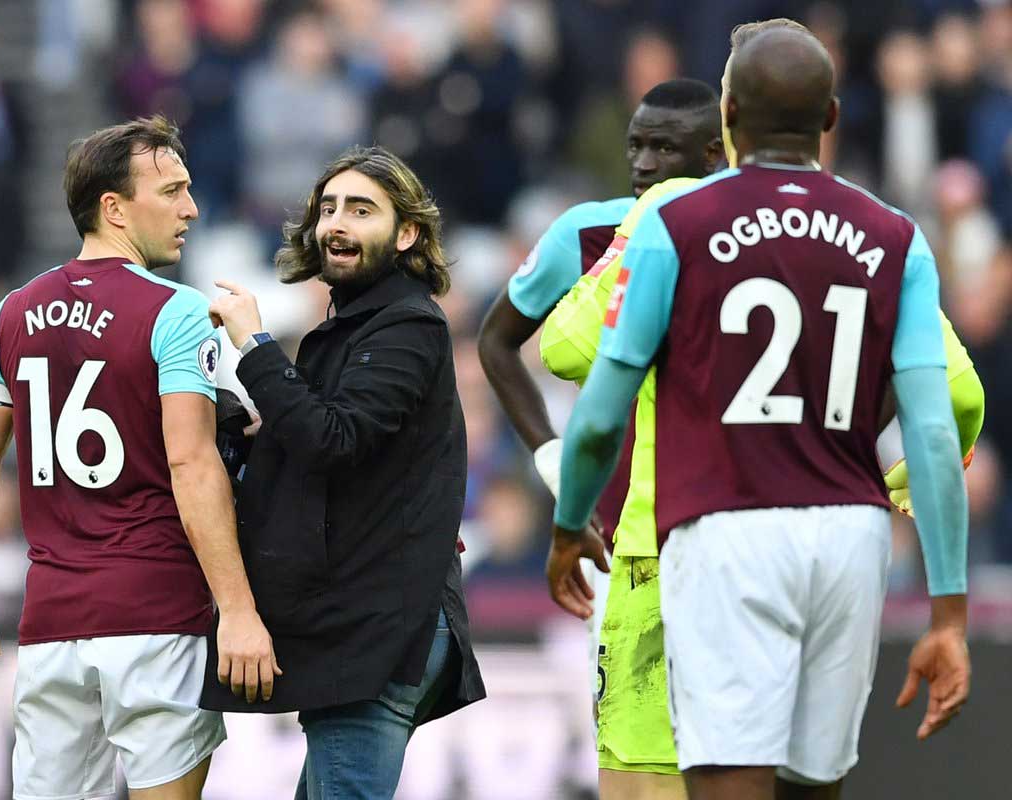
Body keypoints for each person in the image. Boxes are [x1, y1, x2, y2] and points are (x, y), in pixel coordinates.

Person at [550, 23, 970, 800]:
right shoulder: (896, 238)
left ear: (729, 114)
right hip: (850, 534)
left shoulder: (675, 225)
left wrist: (570, 521)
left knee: (727, 783)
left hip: (726, 527)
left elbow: (603, 410)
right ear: (832, 117)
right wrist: (948, 611)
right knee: (813, 786)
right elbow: (936, 432)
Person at [0, 115, 278, 800]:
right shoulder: (176, 311)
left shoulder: (9, 314)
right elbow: (191, 466)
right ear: (114, 208)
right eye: (173, 190)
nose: (190, 208)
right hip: (157, 615)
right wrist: (239, 610)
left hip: (52, 628)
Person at [201, 145, 485, 799]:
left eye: (361, 210)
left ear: (407, 231)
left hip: (378, 629)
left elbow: (333, 439)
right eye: (329, 208)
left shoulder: (407, 323)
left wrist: (255, 346)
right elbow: (322, 448)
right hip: (364, 624)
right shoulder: (355, 324)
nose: (337, 223)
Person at [478, 78, 723, 800]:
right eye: (637, 146)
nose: (644, 163)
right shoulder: (589, 232)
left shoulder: (740, 237)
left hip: (726, 531)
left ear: (715, 153)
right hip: (623, 541)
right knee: (635, 763)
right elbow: (498, 343)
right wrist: (555, 463)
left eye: (665, 149)